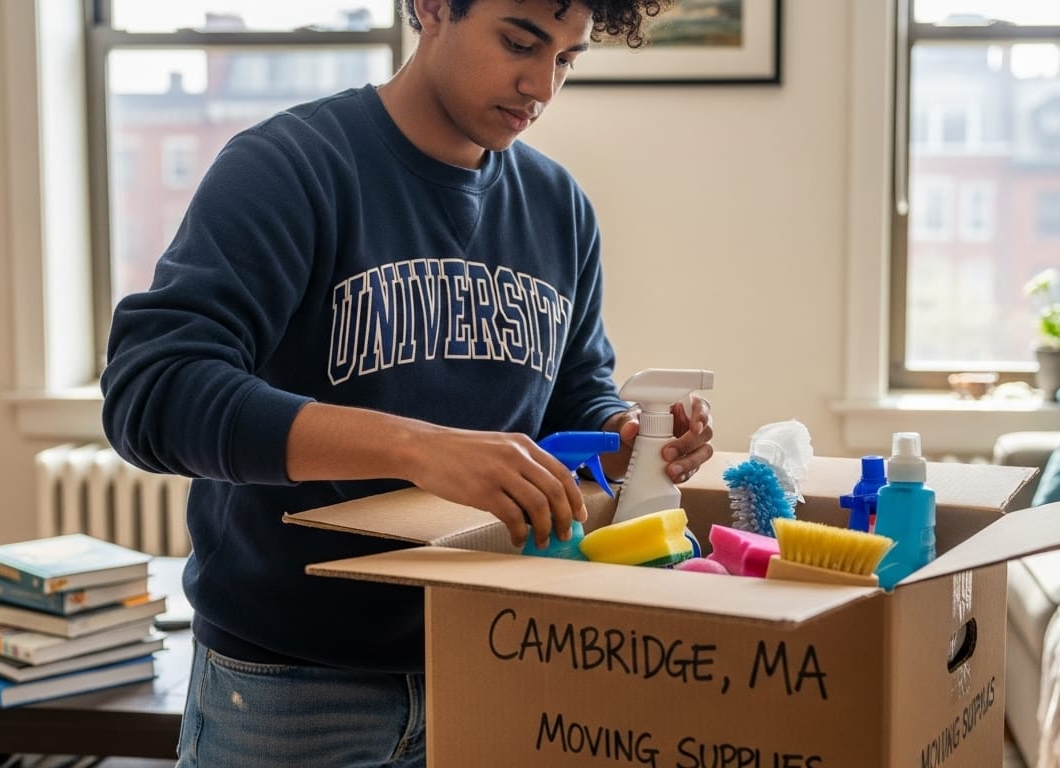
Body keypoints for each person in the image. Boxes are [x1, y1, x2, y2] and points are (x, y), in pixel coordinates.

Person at [100, 0, 713, 765]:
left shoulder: (561, 211)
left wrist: (626, 437)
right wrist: (417, 449)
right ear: (429, 8)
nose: (541, 85)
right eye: (519, 42)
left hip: (496, 657)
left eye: (566, 59)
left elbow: (573, 392)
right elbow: (153, 393)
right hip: (292, 684)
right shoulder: (290, 168)